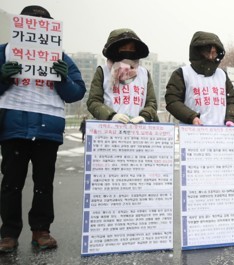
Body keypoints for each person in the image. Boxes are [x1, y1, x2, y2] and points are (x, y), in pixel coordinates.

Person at [0, 5, 86, 253]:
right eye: (31, 21)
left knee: (43, 182)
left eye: (43, 22)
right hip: (14, 125)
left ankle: (41, 230)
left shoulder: (61, 57)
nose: (37, 26)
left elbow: (76, 92)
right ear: (21, 26)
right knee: (11, 183)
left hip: (48, 126)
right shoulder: (5, 52)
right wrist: (2, 76)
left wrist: (63, 78)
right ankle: (8, 233)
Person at [164, 31, 234, 126]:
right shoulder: (182, 74)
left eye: (214, 53)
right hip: (193, 132)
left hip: (221, 134)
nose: (211, 57)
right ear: (198, 52)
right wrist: (192, 117)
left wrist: (231, 118)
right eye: (208, 53)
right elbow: (172, 100)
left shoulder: (222, 75)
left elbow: (231, 100)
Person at [87, 28, 159, 123]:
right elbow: (93, 101)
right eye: (123, 48)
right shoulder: (103, 71)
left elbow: (151, 103)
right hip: (109, 130)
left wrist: (145, 116)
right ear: (115, 50)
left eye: (131, 49)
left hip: (139, 130)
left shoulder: (144, 73)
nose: (127, 52)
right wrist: (110, 115)